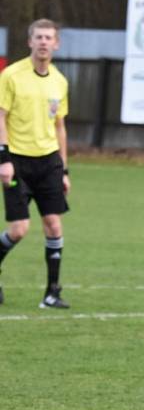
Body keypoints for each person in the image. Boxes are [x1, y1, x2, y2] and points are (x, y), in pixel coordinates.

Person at [0, 19, 70, 308]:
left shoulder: (60, 80)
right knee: (19, 229)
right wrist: (3, 159)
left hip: (49, 161)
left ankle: (52, 292)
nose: (43, 42)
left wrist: (64, 169)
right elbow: (0, 117)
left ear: (56, 44)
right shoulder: (11, 76)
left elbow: (60, 127)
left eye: (48, 37)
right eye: (38, 37)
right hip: (16, 160)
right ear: (30, 41)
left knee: (54, 226)